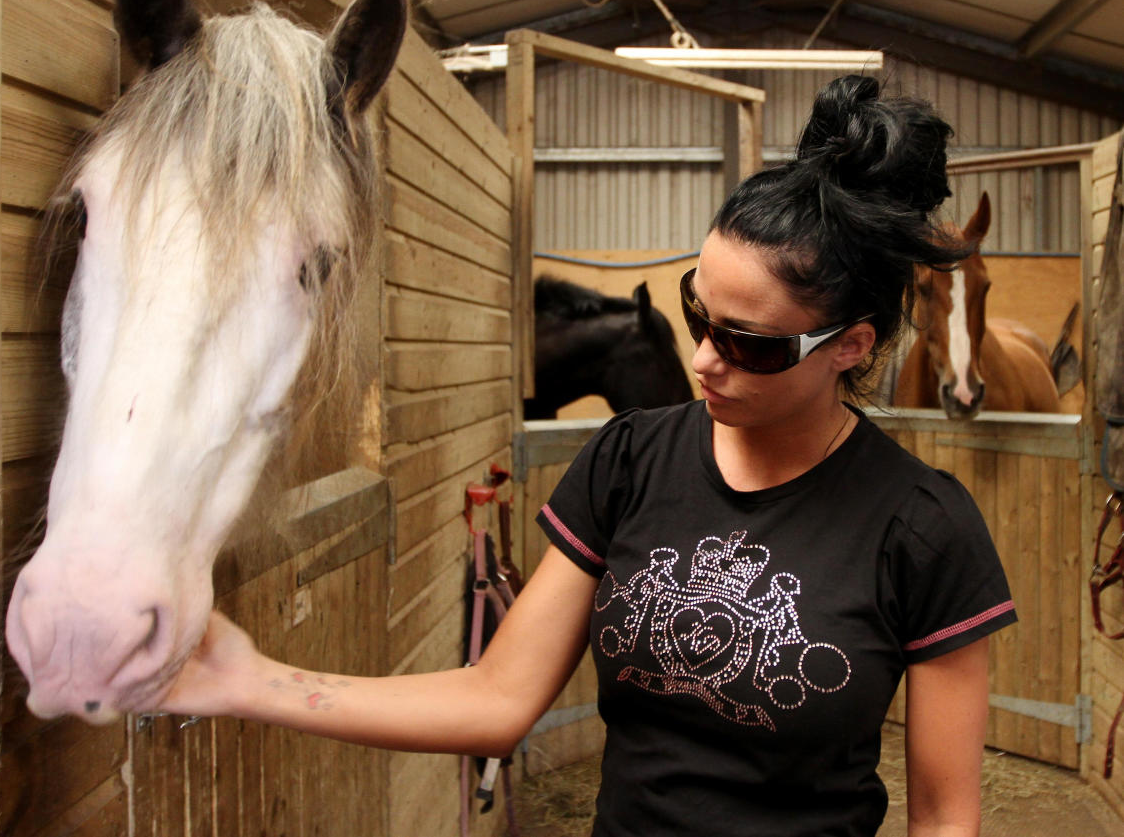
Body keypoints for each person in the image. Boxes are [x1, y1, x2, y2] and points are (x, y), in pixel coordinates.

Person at [158, 74, 1017, 837]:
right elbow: (496, 697)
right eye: (697, 314)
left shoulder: (923, 526)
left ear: (850, 346)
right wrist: (251, 681)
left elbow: (944, 816)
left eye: (751, 345)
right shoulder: (632, 460)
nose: (704, 360)